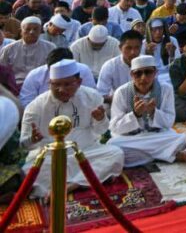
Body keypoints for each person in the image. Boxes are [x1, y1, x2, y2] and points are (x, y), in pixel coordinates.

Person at [20, 59, 125, 197]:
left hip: (86, 152)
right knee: (28, 171)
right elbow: (24, 145)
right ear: (49, 83)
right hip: (51, 157)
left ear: (79, 82)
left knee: (115, 153)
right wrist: (32, 140)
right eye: (56, 84)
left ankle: (73, 185)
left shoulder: (92, 97)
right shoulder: (35, 107)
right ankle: (90, 179)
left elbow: (101, 131)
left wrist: (100, 119)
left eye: (67, 84)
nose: (61, 89)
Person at [108, 55, 186, 167]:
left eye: (148, 72)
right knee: (113, 146)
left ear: (155, 73)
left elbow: (169, 122)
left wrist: (153, 113)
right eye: (138, 73)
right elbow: (115, 127)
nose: (143, 78)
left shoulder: (166, 89)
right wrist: (135, 115)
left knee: (183, 139)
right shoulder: (121, 92)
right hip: (130, 139)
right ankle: (169, 155)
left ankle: (153, 156)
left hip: (157, 136)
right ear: (131, 75)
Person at [0, 17, 56, 85]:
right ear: (21, 31)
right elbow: (2, 71)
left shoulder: (50, 47)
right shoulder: (9, 49)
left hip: (42, 85)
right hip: (15, 85)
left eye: (35, 29)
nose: (32, 32)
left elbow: (54, 71)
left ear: (40, 31)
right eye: (28, 29)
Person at [97, 30, 144, 103]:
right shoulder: (110, 66)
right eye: (128, 48)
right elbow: (101, 95)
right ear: (120, 48)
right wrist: (121, 100)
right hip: (116, 103)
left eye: (137, 48)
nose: (133, 52)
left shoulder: (147, 64)